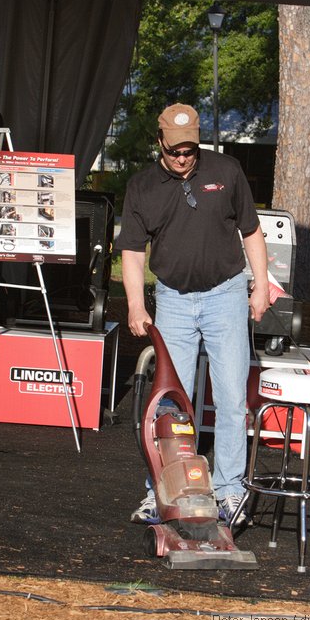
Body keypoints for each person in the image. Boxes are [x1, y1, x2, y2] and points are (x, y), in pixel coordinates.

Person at [118, 103, 270, 527]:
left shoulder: (227, 171)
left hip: (226, 295)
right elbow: (132, 251)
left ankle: (230, 491)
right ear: (160, 143)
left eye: (190, 149)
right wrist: (134, 304)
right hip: (174, 301)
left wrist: (260, 284)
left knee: (230, 399)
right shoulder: (143, 186)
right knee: (170, 404)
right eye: (174, 151)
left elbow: (251, 230)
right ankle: (161, 491)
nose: (183, 157)